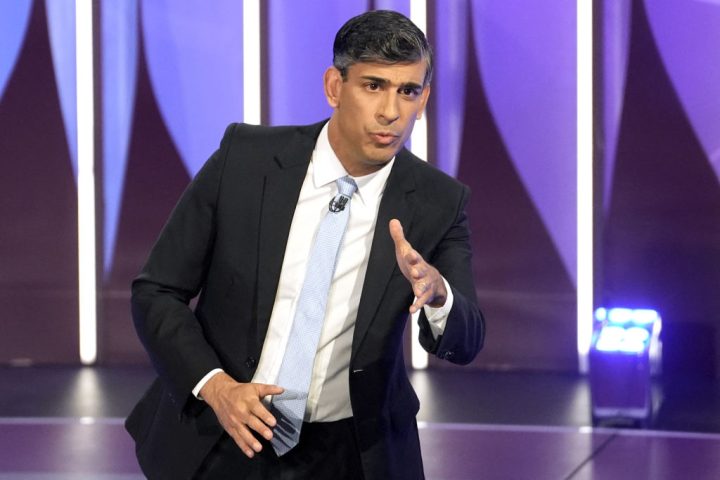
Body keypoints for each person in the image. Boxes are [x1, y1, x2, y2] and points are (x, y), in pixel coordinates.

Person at [126, 9, 484, 480]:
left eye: (408, 91)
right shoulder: (245, 160)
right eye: (373, 86)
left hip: (352, 455)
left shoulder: (438, 202)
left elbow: (466, 340)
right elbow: (157, 292)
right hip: (223, 431)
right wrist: (217, 388)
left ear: (424, 99)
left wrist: (439, 295)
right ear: (335, 87)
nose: (390, 112)